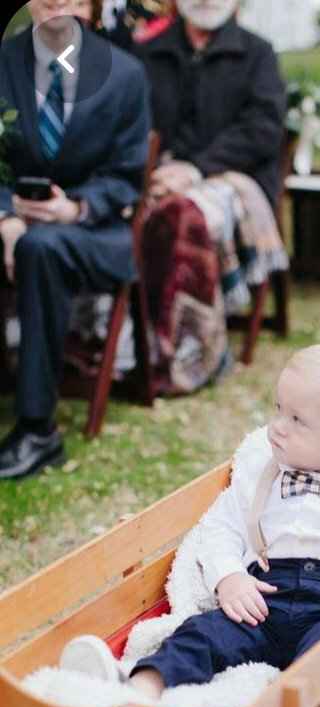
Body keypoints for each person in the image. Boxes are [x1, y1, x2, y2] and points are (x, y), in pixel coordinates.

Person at [59, 340, 320, 697]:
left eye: (297, 421)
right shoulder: (260, 474)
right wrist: (228, 577)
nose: (277, 428)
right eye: (278, 410)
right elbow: (219, 528)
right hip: (261, 599)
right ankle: (138, 688)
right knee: (202, 634)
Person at [0, 0, 151, 479]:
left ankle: (38, 430)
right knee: (29, 241)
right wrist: (5, 214)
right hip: (11, 222)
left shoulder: (125, 74)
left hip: (93, 233)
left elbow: (128, 176)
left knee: (40, 248)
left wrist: (74, 208)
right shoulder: (3, 62)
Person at [133, 0, 288, 395]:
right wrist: (151, 172)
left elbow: (263, 131)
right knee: (122, 207)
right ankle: (122, 344)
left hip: (233, 178)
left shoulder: (258, 53)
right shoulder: (149, 52)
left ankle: (191, 349)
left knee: (184, 214)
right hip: (157, 174)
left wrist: (194, 169)